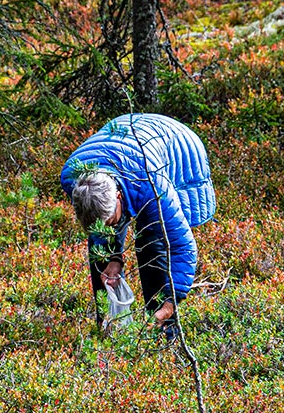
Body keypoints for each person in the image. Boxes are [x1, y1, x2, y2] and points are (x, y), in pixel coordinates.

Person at [60, 113, 216, 334]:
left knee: (153, 244)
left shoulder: (154, 187)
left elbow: (183, 247)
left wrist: (171, 303)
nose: (109, 226)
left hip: (177, 146)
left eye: (111, 220)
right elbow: (101, 227)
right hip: (127, 146)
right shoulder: (72, 177)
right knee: (100, 254)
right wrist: (113, 259)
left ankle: (162, 331)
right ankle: (109, 329)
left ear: (118, 197)